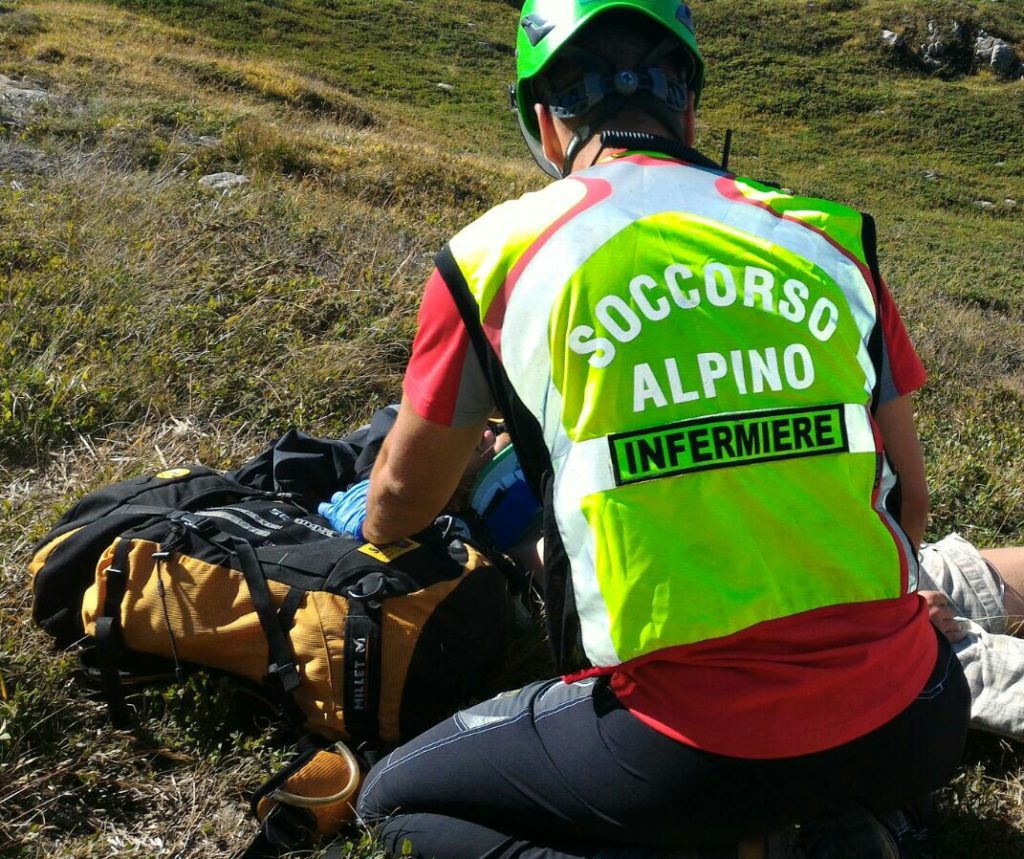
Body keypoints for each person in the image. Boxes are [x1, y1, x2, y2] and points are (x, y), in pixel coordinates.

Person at [320, 2, 972, 855]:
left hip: (679, 747)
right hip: (915, 713)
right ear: (688, 108)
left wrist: (379, 520)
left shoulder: (490, 256)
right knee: (819, 761)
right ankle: (834, 814)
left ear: (544, 121)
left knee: (392, 804)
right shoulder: (833, 237)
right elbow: (909, 497)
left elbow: (402, 500)